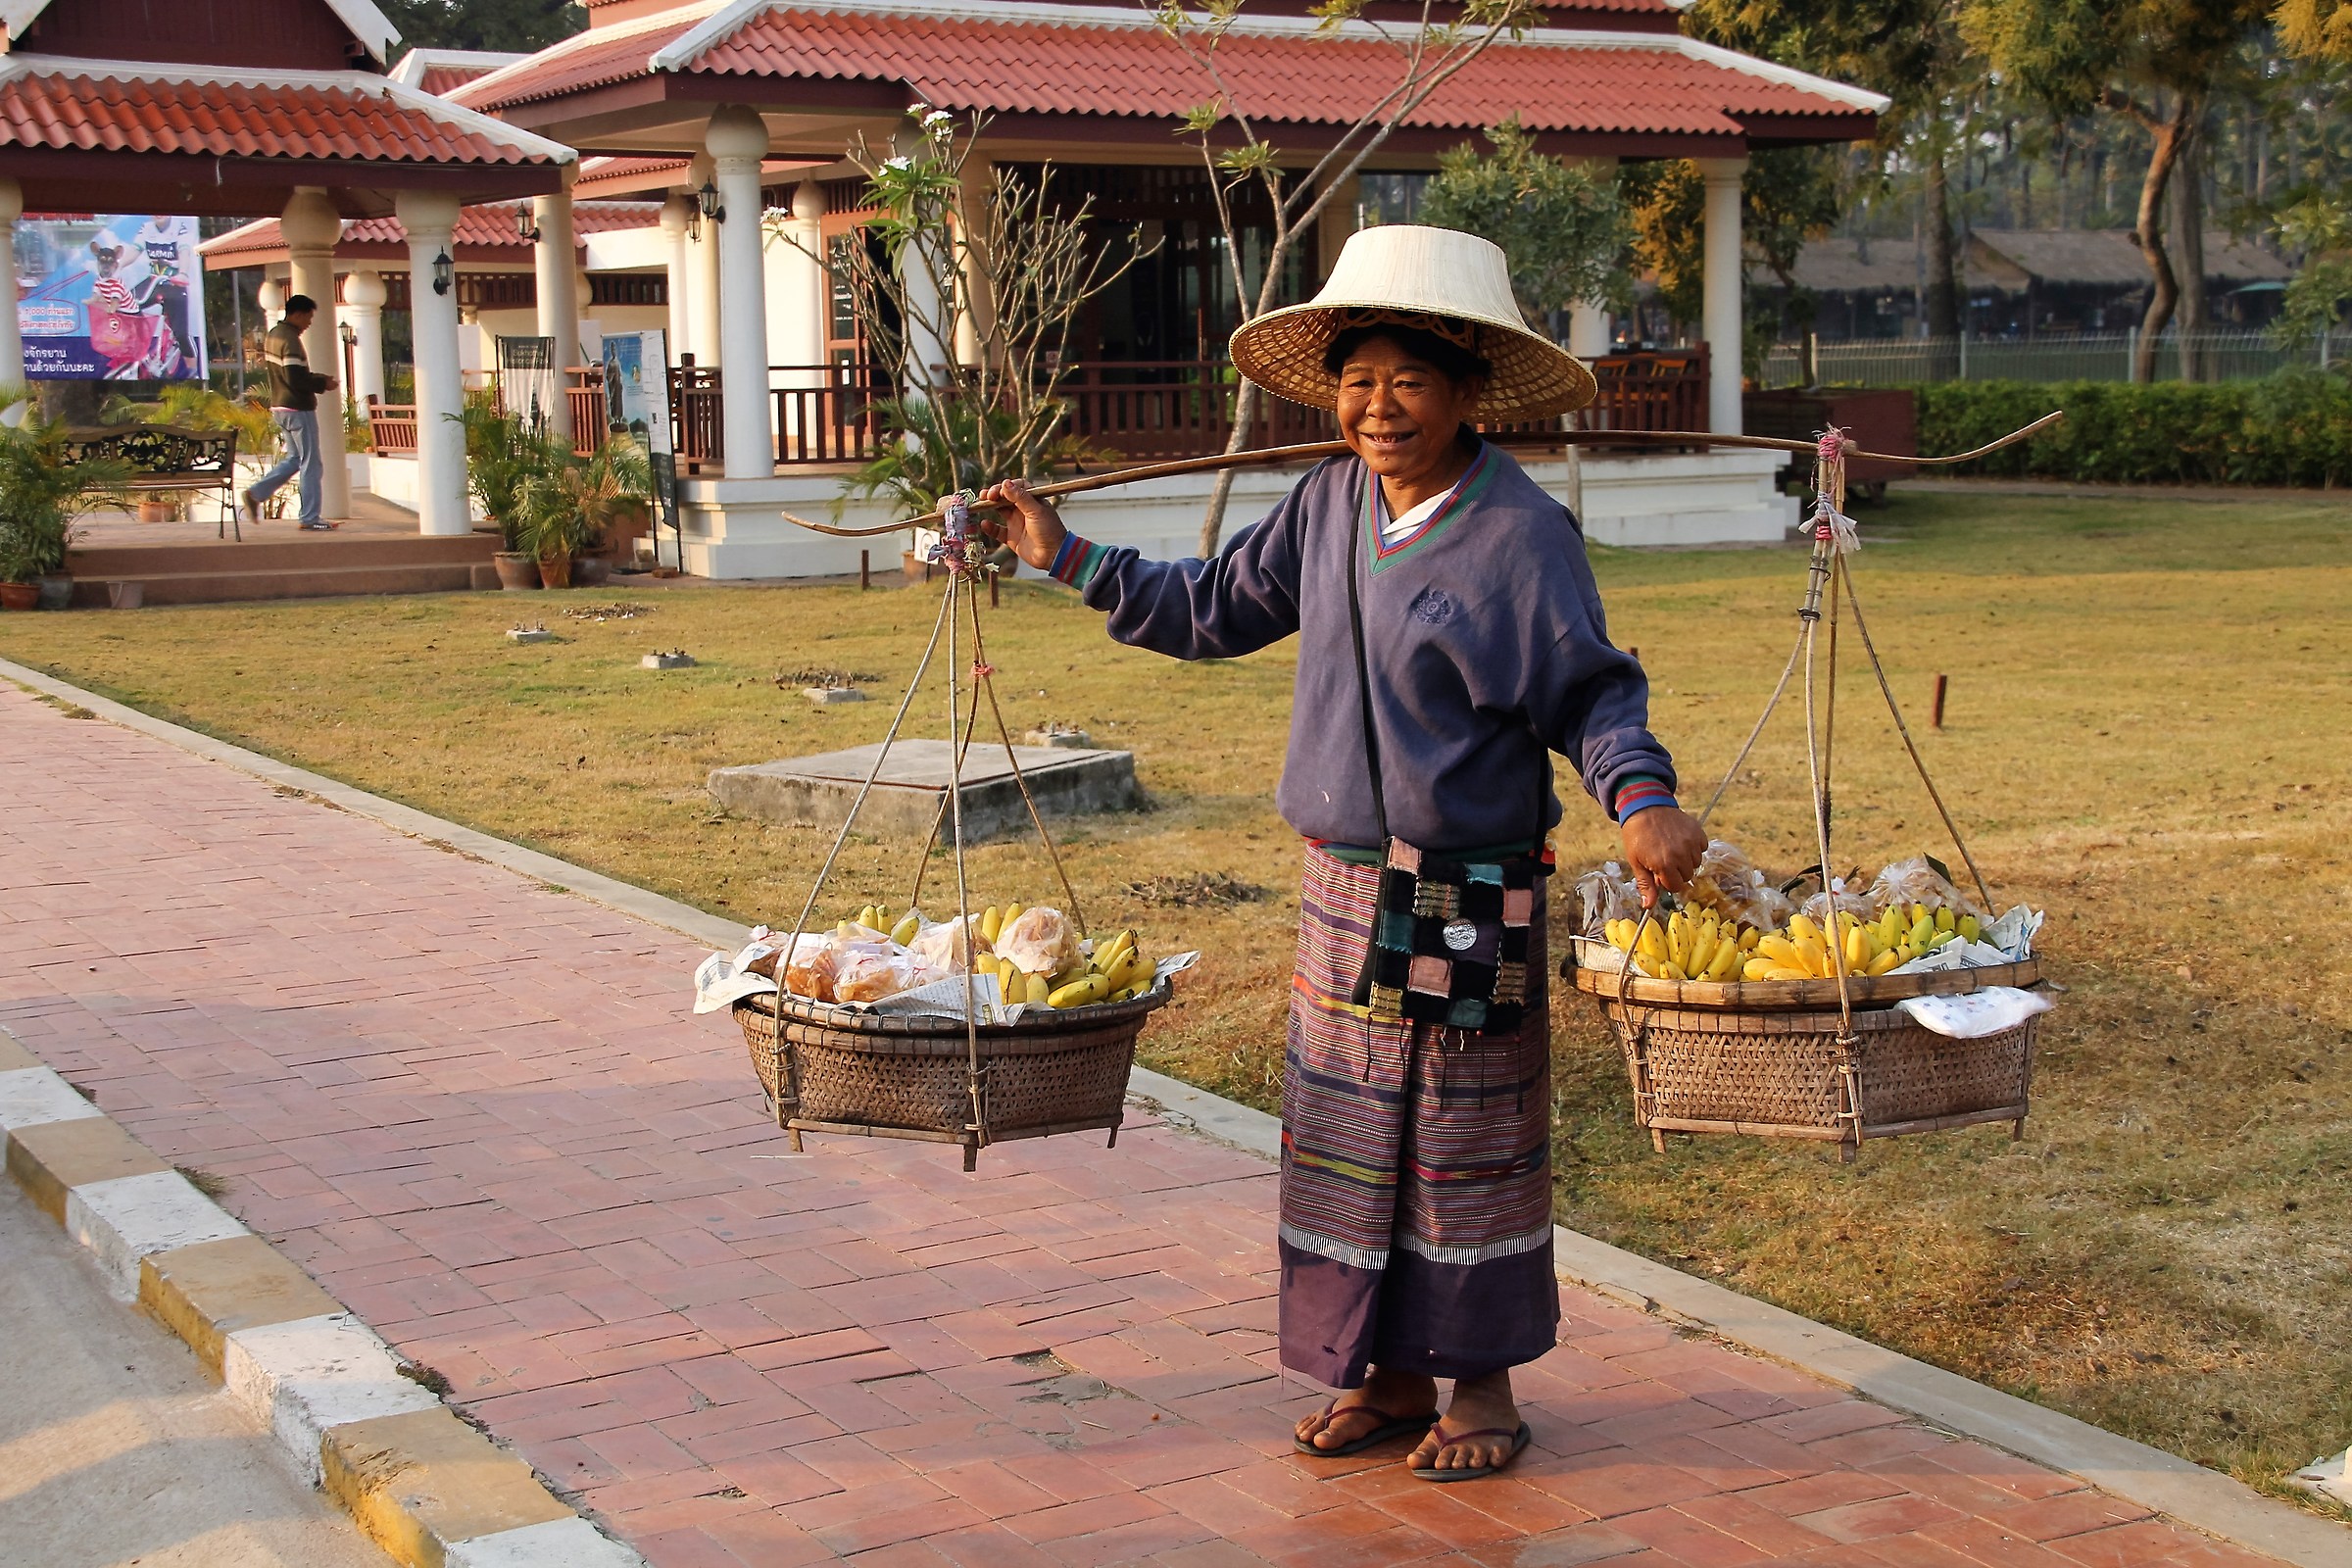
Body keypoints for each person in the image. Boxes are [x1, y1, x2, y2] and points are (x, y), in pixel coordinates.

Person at [982, 226, 1707, 1482]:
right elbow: (1211, 607)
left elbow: (1591, 695)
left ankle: (1479, 1383)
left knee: (1460, 1139)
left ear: (1469, 393)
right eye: (1357, 380)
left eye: (1407, 382)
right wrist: (1065, 556)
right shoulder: (1323, 504)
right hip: (1341, 888)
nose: (1376, 406)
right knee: (1349, 1136)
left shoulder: (1519, 538)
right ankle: (1386, 1371)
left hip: (1470, 890)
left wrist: (1640, 797)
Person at [244, 295, 338, 530]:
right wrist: (321, 383)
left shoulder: (273, 335)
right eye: (308, 316)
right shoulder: (290, 340)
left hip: (280, 406)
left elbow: (288, 376)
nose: (309, 322)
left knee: (295, 459)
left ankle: (256, 493)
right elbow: (295, 377)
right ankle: (310, 518)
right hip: (298, 407)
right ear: (297, 314)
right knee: (311, 463)